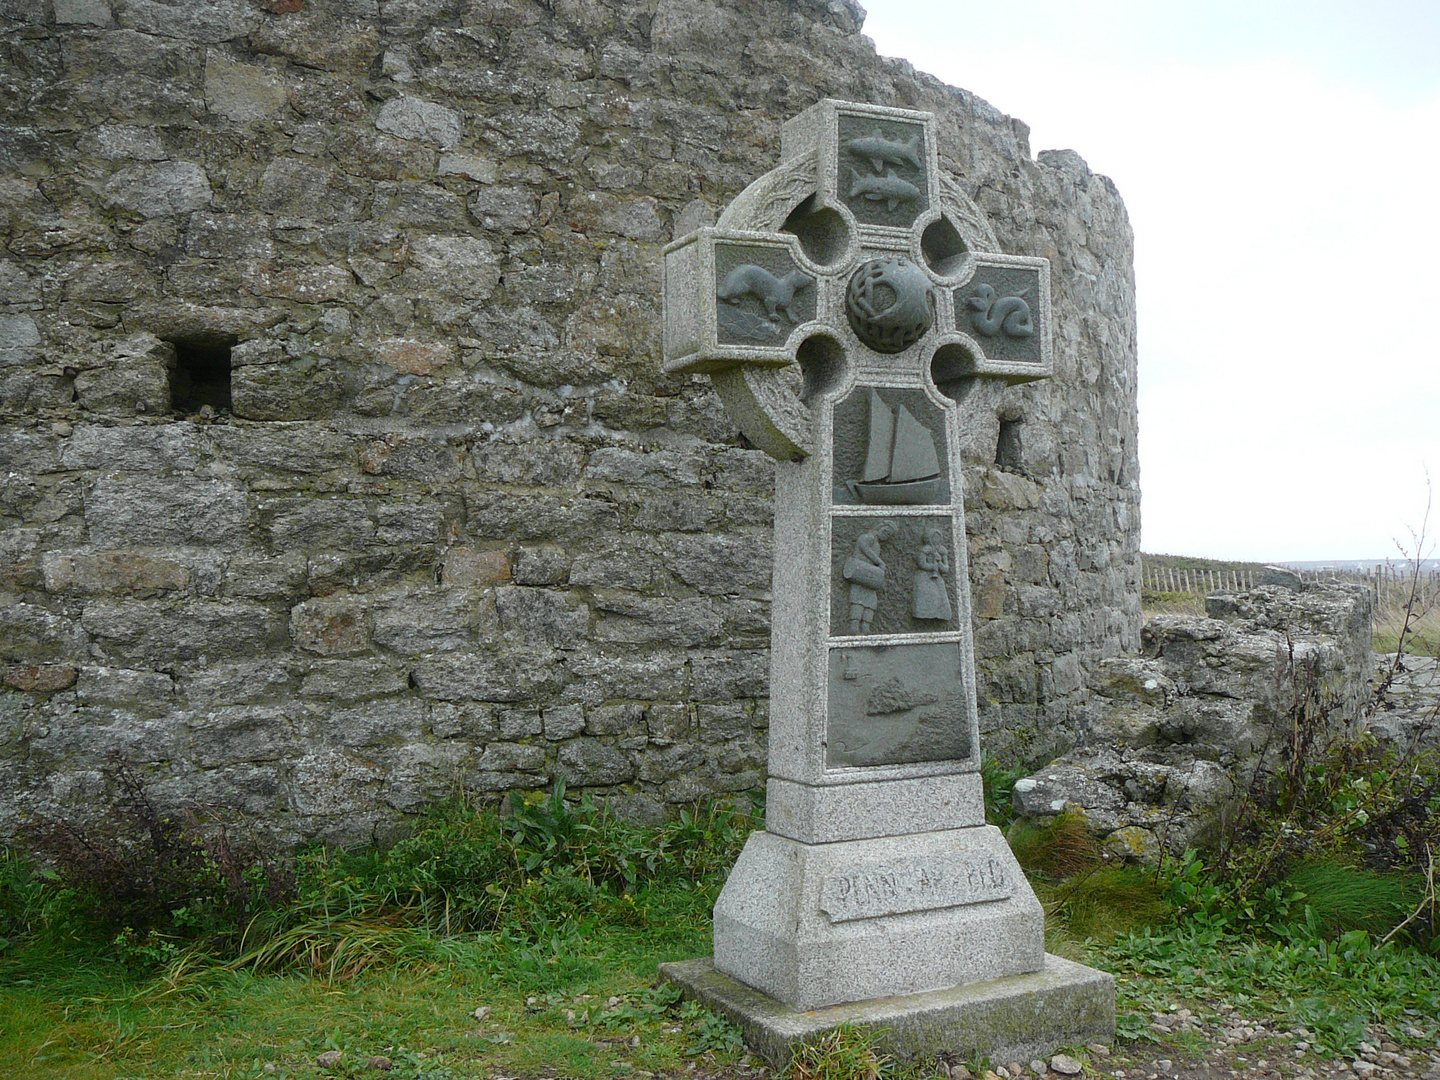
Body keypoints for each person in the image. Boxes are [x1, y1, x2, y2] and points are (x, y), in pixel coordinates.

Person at [843, 521, 895, 634]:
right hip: (860, 572)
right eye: (885, 532)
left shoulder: (877, 543)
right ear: (880, 528)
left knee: (871, 602)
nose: (886, 536)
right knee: (857, 601)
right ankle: (854, 626)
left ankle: (866, 627)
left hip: (870, 576)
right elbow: (866, 550)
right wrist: (880, 562)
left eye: (888, 535)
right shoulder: (866, 538)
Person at [912, 527, 952, 621]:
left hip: (937, 578)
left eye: (938, 538)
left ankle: (940, 615)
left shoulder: (942, 551)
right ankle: (923, 615)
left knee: (939, 597)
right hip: (924, 578)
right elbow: (921, 564)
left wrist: (939, 563)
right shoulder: (925, 550)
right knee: (926, 596)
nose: (936, 540)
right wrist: (932, 567)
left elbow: (946, 569)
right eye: (934, 537)